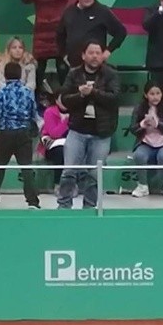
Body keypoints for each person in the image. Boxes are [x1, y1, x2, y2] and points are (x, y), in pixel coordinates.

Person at [56, 41, 120, 209]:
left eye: (98, 53)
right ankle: (63, 206)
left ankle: (90, 208)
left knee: (94, 174)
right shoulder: (73, 74)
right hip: (77, 130)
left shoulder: (111, 74)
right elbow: (64, 100)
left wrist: (93, 92)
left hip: (101, 133)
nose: (94, 56)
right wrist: (81, 95)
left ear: (102, 56)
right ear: (83, 55)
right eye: (91, 53)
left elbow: (114, 99)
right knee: (69, 171)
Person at [0, 61, 40, 209]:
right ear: (20, 75)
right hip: (23, 133)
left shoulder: (1, 91)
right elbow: (33, 112)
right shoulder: (27, 92)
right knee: (26, 168)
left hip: (5, 133)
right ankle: (32, 201)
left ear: (5, 75)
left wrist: (2, 124)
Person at [21, 0, 78, 91]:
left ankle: (66, 98)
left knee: (62, 67)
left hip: (59, 32)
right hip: (41, 31)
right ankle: (37, 97)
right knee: (39, 68)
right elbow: (25, 0)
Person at [56, 0, 128, 69]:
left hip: (96, 65)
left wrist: (108, 51)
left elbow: (121, 32)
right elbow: (60, 34)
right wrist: (63, 54)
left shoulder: (102, 11)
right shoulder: (69, 12)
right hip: (74, 65)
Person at [130, 82, 163, 199]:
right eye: (152, 94)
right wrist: (143, 124)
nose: (155, 97)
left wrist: (158, 124)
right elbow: (133, 129)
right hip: (146, 143)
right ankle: (142, 186)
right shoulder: (139, 108)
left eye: (158, 93)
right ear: (146, 95)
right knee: (139, 155)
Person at [38, 94, 69, 191]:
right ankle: (58, 184)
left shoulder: (75, 112)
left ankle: (72, 184)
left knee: (75, 152)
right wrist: (66, 121)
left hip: (70, 143)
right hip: (51, 145)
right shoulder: (49, 112)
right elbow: (54, 133)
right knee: (60, 152)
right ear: (56, 100)